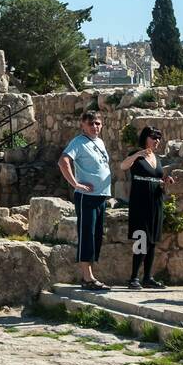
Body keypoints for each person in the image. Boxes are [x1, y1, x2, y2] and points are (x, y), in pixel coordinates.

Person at [59, 110, 113, 291]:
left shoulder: (100, 142)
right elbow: (63, 161)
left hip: (101, 195)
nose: (95, 126)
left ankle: (91, 275)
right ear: (82, 125)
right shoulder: (78, 142)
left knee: (97, 236)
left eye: (97, 123)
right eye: (91, 123)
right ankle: (87, 277)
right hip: (86, 197)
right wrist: (75, 183)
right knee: (87, 235)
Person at [120, 126, 175, 289]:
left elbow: (156, 178)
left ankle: (148, 278)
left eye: (159, 137)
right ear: (145, 138)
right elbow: (123, 166)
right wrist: (137, 154)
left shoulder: (157, 159)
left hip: (156, 201)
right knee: (141, 238)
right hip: (140, 201)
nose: (157, 140)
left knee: (152, 240)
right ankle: (133, 278)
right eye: (153, 137)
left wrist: (166, 180)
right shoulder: (136, 155)